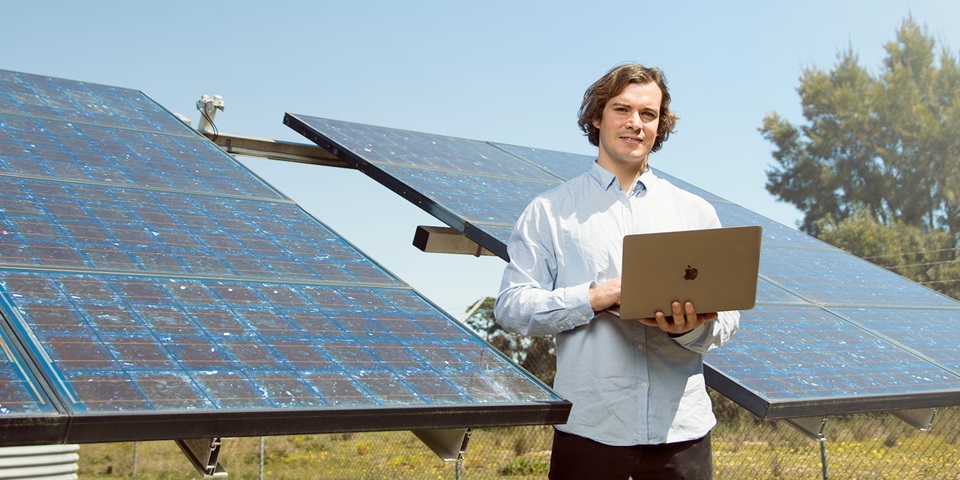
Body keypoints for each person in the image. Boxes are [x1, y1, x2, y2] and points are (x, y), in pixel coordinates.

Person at [494, 63, 740, 480]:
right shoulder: (550, 211)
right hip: (590, 430)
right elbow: (512, 306)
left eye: (648, 114)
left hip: (681, 433)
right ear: (596, 116)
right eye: (622, 109)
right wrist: (594, 297)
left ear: (661, 126)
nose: (635, 124)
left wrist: (688, 329)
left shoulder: (695, 212)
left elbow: (728, 317)